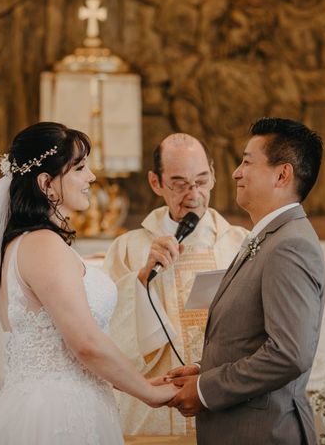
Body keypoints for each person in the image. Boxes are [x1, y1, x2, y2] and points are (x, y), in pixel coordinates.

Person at [0, 122, 177, 444]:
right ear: (46, 183)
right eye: (79, 168)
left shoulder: (31, 243)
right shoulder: (42, 245)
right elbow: (85, 343)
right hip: (54, 414)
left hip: (66, 401)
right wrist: (147, 392)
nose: (91, 176)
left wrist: (133, 380)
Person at [166, 117, 325, 445]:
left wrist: (206, 390)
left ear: (282, 174)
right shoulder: (270, 236)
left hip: (265, 432)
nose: (236, 172)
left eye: (247, 161)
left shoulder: (289, 245)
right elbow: (251, 338)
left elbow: (289, 353)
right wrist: (204, 370)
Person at [103, 133, 247, 435]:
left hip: (224, 407)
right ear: (156, 183)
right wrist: (141, 280)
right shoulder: (128, 248)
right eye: (180, 184)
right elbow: (109, 335)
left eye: (202, 181)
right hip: (151, 416)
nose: (193, 195)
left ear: (214, 175)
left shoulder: (241, 243)